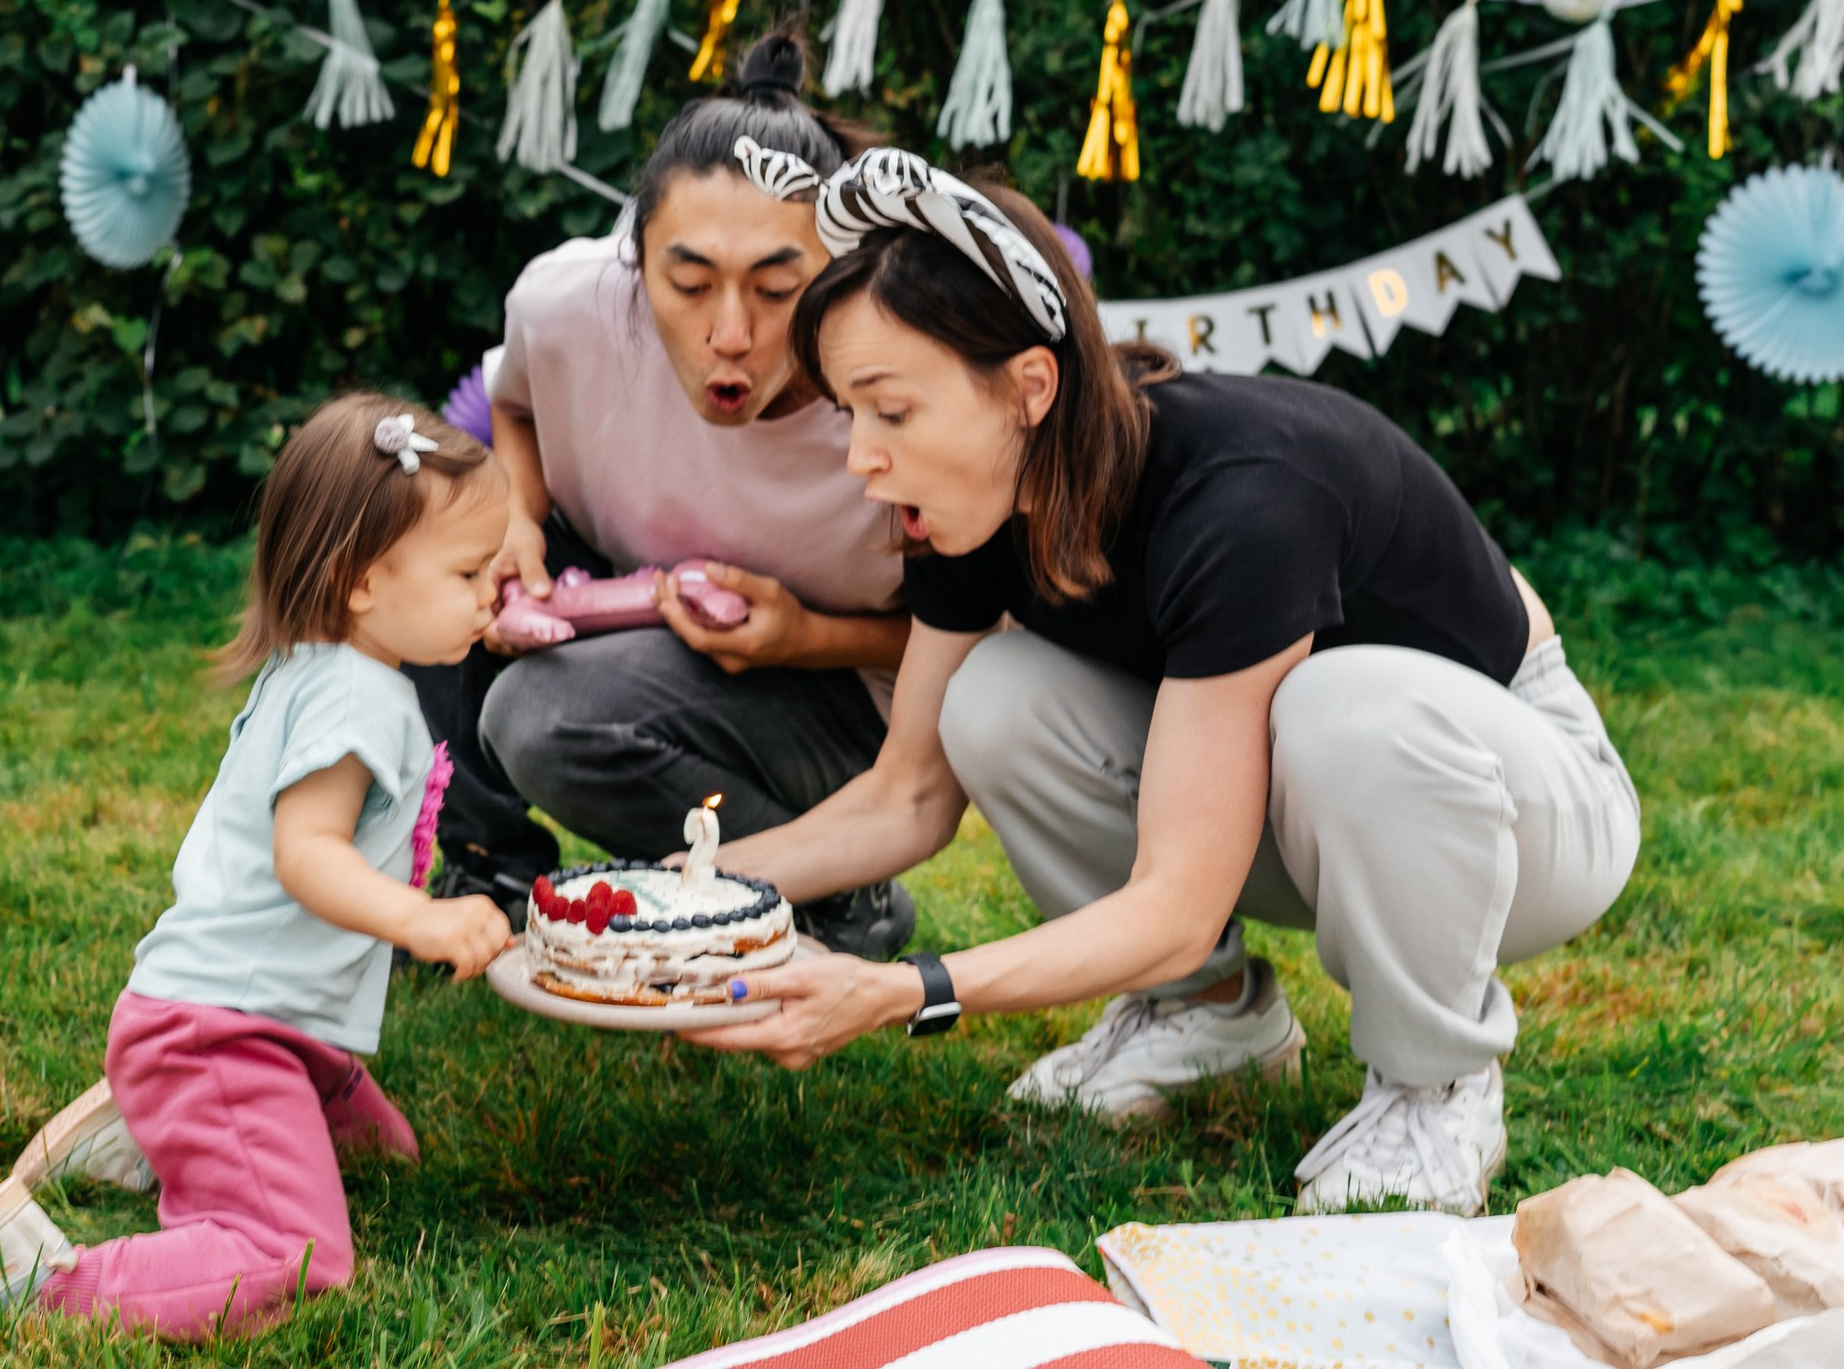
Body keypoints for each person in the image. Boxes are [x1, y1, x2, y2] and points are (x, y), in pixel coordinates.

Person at [690, 144, 1641, 1218]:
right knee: (991, 697)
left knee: (1340, 706)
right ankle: (1206, 1013)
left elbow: (1179, 899)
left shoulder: (1244, 498)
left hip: (1528, 808)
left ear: (1029, 387)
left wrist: (901, 992)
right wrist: (657, 894)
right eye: (848, 416)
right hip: (1310, 798)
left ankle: (1435, 1081)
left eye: (891, 412)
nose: (862, 456)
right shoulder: (976, 496)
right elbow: (908, 792)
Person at [0, 395, 515, 1335]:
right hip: (219, 1032)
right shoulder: (353, 698)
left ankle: (149, 1130)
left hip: (256, 1016)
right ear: (360, 579)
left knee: (388, 1157)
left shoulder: (332, 667)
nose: (489, 596)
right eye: (469, 572)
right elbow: (307, 856)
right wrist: (421, 919)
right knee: (295, 1257)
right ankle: (32, 1279)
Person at [415, 31, 918, 959]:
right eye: (689, 283)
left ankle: (835, 891)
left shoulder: (898, 393)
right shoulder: (567, 306)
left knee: (545, 718)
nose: (730, 332)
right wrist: (518, 518)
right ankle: (488, 865)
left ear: (838, 275)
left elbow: (980, 643)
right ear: (636, 262)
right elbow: (513, 401)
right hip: (636, 628)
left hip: (845, 706)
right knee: (424, 554)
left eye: (777, 289)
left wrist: (806, 636)